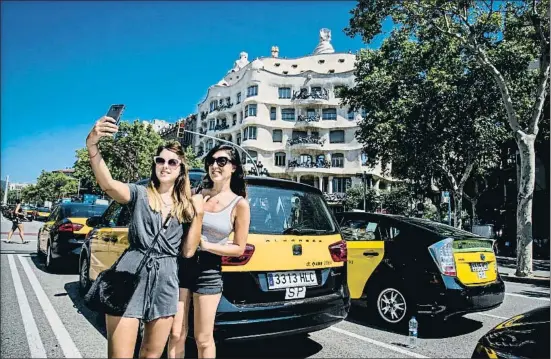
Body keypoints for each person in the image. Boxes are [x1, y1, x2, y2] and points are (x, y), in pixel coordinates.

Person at [85, 116, 205, 359]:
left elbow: (189, 251)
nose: (165, 165)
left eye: (173, 162)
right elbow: (108, 184)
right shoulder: (139, 194)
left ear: (181, 168)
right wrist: (92, 145)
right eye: (160, 160)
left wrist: (199, 215)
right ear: (154, 164)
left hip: (166, 280)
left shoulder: (186, 207)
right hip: (130, 274)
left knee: (151, 354)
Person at [169, 144, 251, 359]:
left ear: (233, 167)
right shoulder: (196, 194)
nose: (215, 165)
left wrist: (206, 245)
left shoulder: (239, 204)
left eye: (221, 161)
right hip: (181, 267)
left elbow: (238, 248)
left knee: (203, 339)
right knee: (176, 333)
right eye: (211, 161)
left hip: (208, 270)